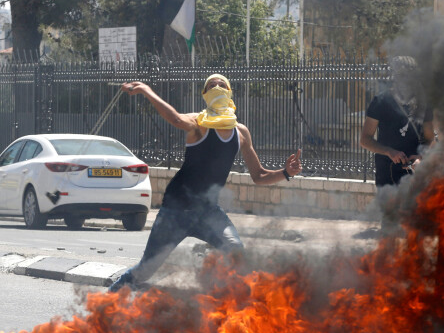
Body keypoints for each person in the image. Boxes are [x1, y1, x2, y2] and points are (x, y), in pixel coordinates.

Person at [109, 74, 302, 292]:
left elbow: (259, 176)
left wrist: (286, 172)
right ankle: (106, 303)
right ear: (205, 95)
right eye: (211, 85)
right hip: (176, 210)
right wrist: (146, 90)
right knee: (145, 270)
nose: (217, 87)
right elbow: (176, 120)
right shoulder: (198, 123)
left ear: (229, 93)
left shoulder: (241, 132)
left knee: (235, 250)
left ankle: (224, 309)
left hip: (208, 211)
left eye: (221, 84)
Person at [359, 56, 435, 231]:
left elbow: (430, 139)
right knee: (390, 228)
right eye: (400, 75)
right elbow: (365, 139)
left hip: (414, 174)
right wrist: (389, 152)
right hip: (388, 174)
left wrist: (421, 158)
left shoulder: (424, 104)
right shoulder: (381, 101)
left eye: (408, 75)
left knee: (413, 229)